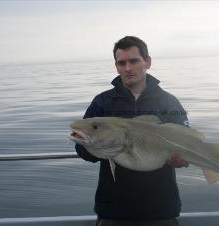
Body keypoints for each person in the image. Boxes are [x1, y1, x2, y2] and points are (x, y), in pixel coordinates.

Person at [75, 36, 189, 226]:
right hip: (113, 212)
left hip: (161, 210)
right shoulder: (102, 102)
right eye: (122, 63)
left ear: (147, 62)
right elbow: (83, 152)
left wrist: (180, 159)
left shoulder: (168, 102)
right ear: (116, 66)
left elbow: (186, 140)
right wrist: (95, 146)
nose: (128, 68)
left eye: (134, 61)